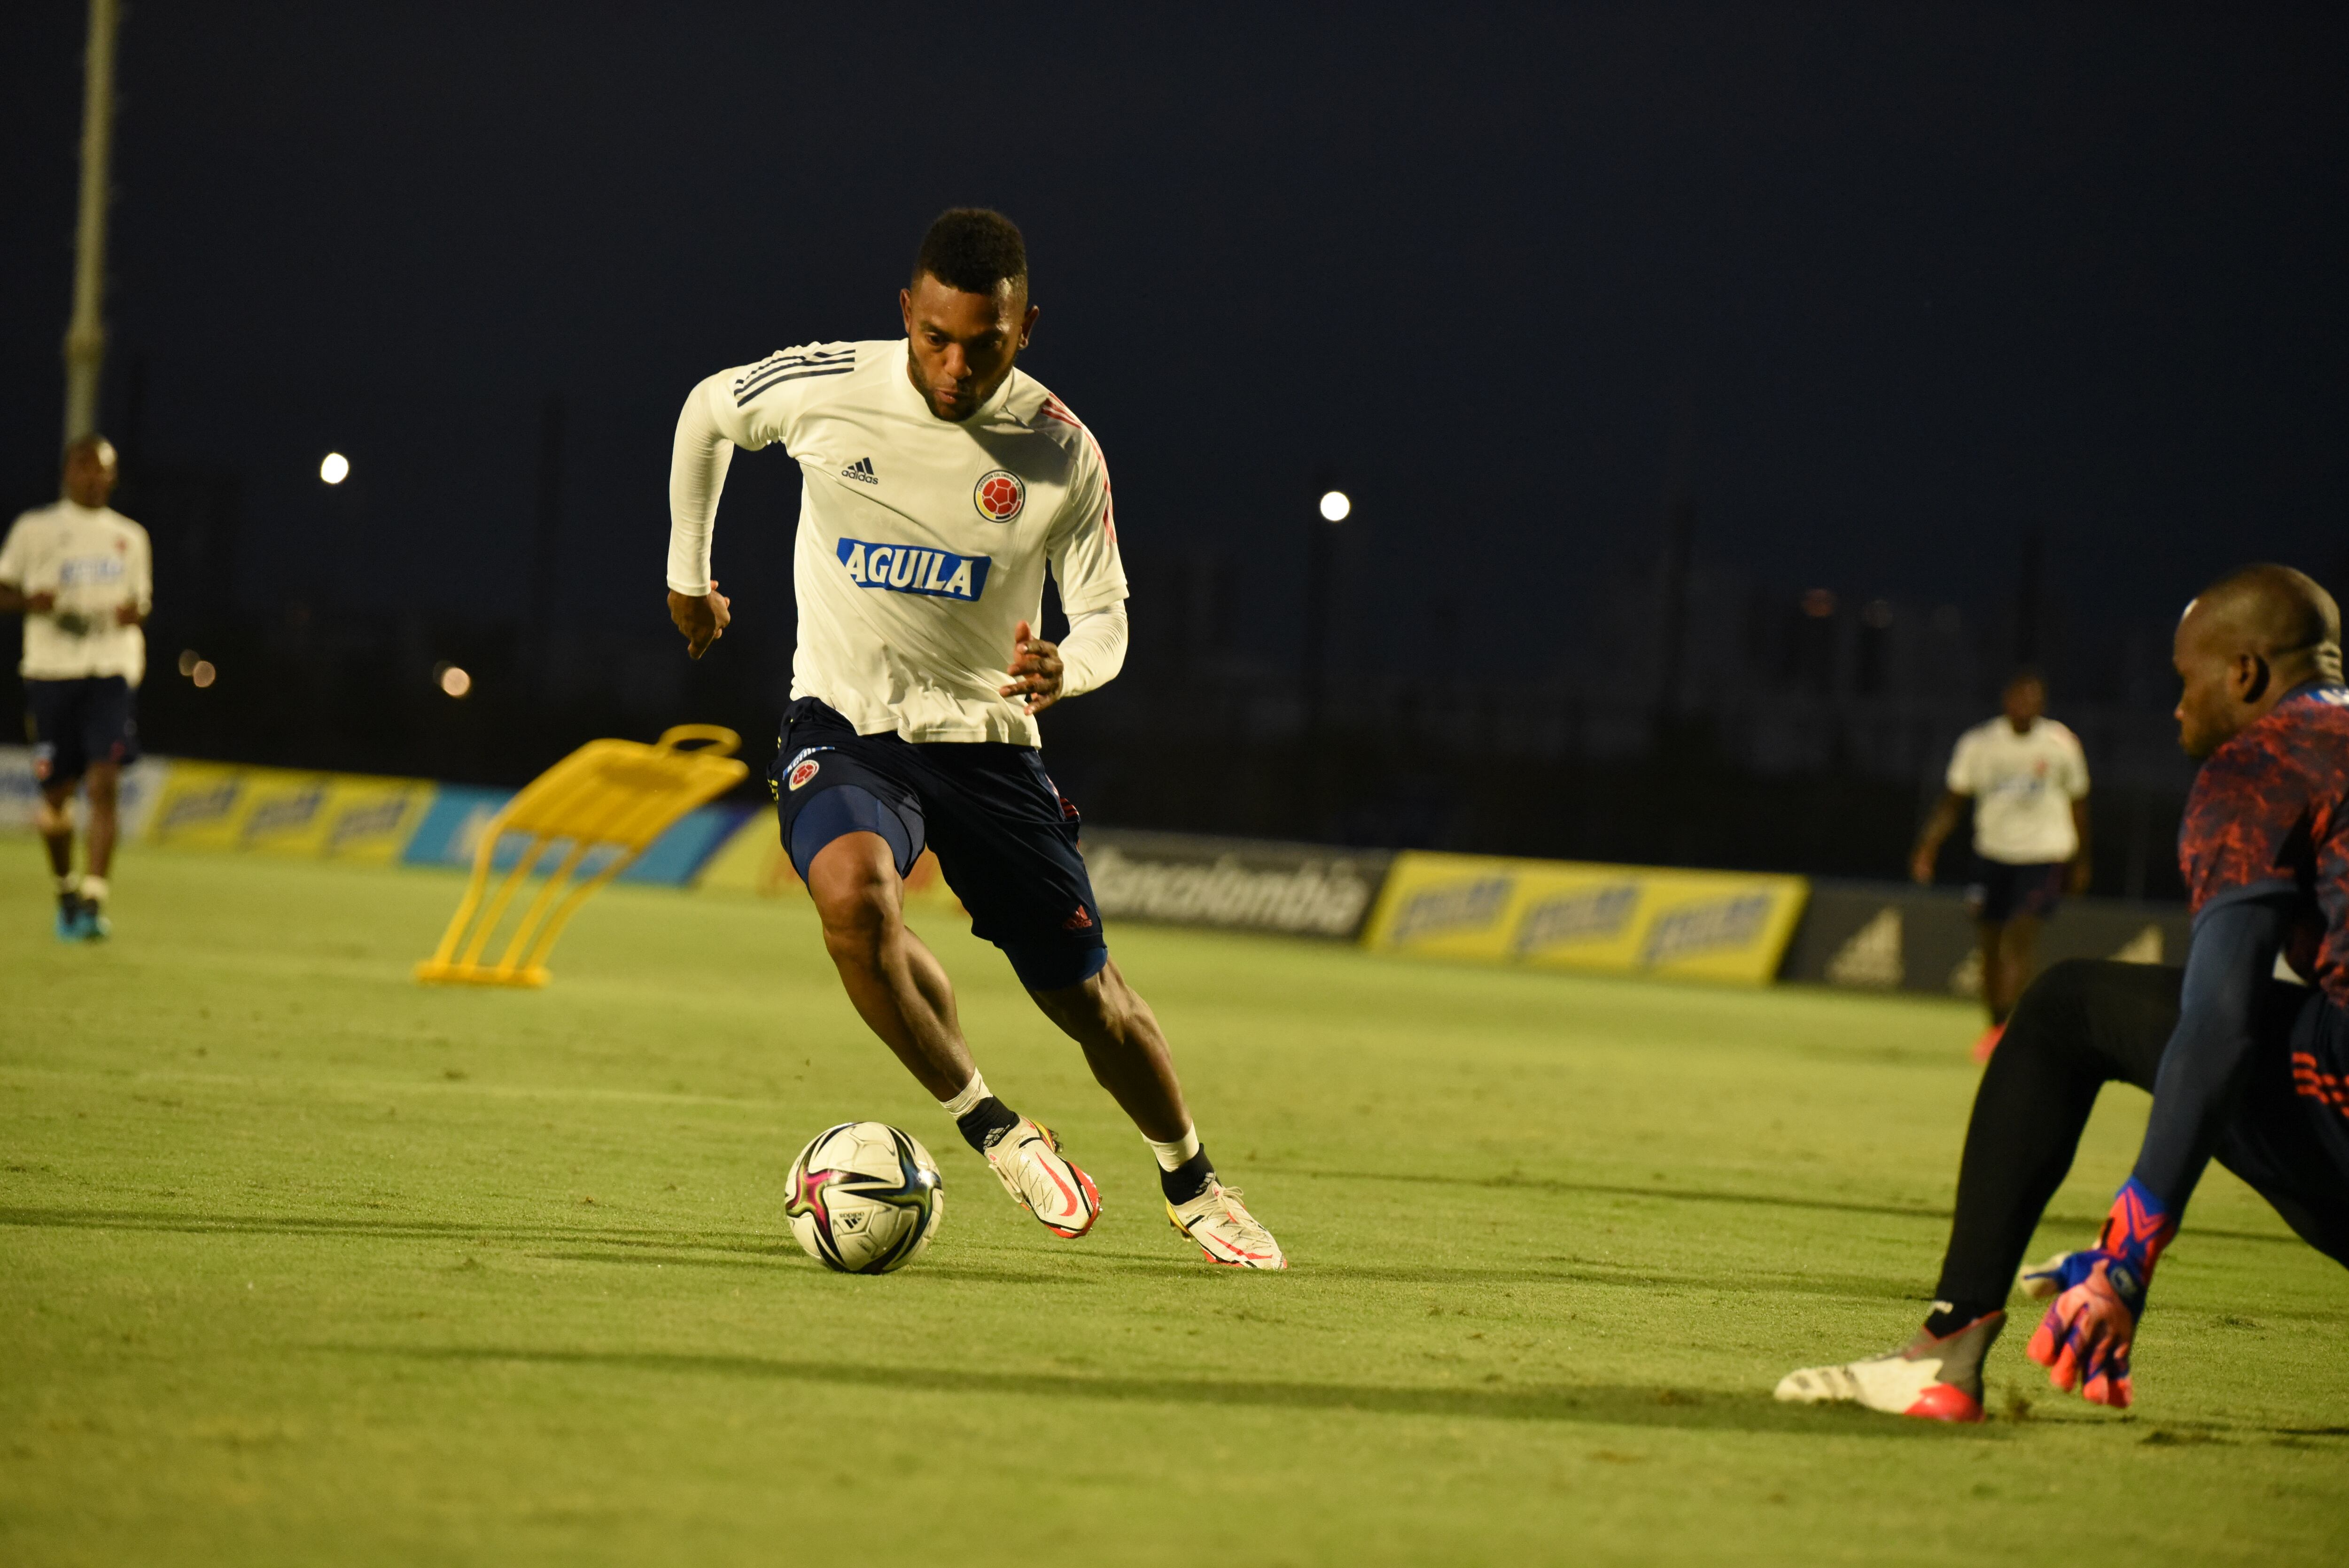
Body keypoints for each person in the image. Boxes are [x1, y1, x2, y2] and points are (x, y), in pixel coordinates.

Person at [661, 208, 1283, 1267]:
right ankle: (993, 1125)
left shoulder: (1059, 453)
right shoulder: (828, 386)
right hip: (845, 723)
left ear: (1024, 327)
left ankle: (1191, 1179)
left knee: (1089, 997)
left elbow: (1107, 622)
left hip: (988, 746)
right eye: (934, 339)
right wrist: (686, 575)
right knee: (855, 904)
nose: (953, 367)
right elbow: (706, 412)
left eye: (982, 345)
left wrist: (1067, 669)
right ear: (907, 311)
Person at [1777, 563, 2348, 1421]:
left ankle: (1945, 1349)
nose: (2176, 704)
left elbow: (2220, 1025)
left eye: (2184, 677)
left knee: (2064, 1006)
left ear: (2245, 674)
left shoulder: (2260, 761)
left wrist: (2129, 1255)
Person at [0, 434, 150, 940]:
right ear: (68, 472)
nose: (93, 476)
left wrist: (135, 613)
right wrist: (28, 601)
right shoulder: (35, 529)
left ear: (112, 476)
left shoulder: (129, 537)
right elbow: (4, 588)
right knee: (57, 795)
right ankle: (65, 888)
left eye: (101, 469)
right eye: (84, 467)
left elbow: (141, 601)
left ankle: (93, 897)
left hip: (109, 669)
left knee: (105, 782)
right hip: (50, 671)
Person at [1911, 668, 2092, 1060]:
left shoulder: (2061, 743)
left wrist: (2082, 861)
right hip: (1992, 854)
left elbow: (2079, 804)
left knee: (2020, 937)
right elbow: (1953, 801)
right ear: (2007, 699)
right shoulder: (1979, 744)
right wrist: (1928, 847)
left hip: (2044, 854)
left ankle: (2013, 1027)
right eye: (2022, 696)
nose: (2030, 705)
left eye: (2037, 698)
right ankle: (1995, 1025)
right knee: (1990, 943)